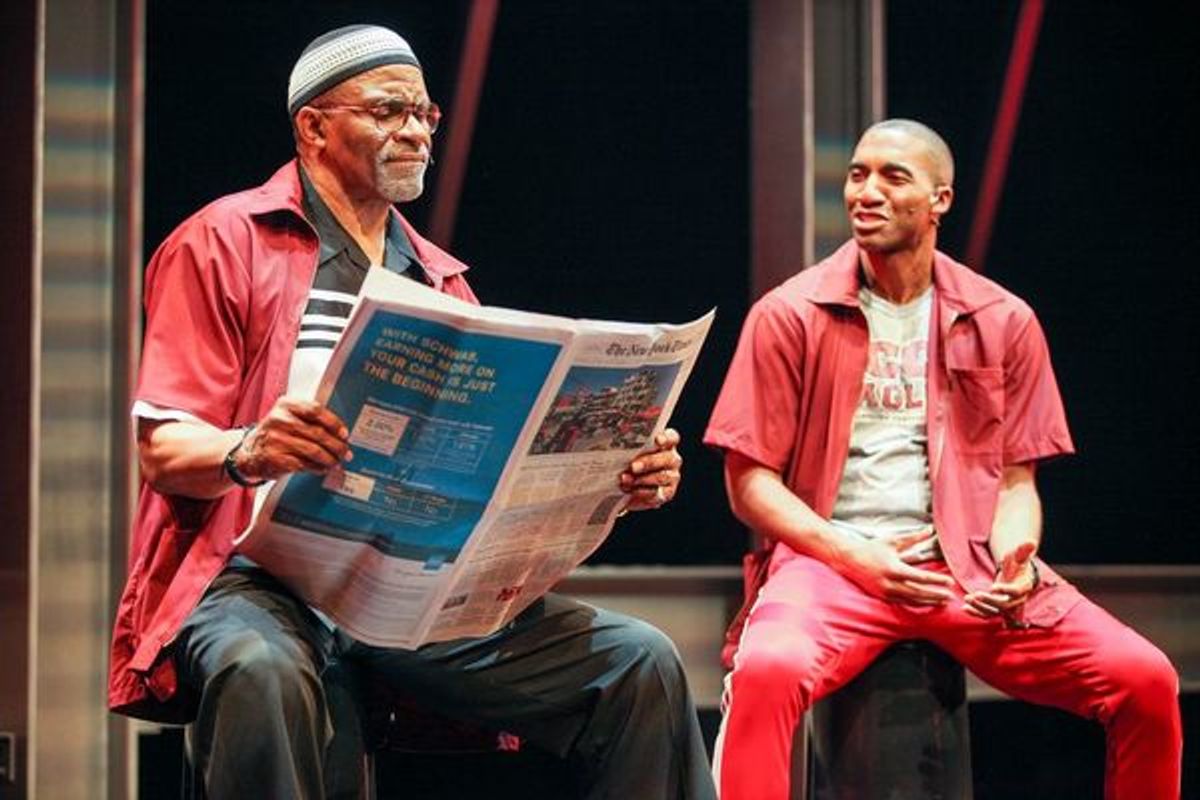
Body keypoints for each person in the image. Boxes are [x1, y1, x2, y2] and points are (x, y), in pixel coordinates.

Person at [108, 24, 716, 800]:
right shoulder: (226, 241)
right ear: (314, 126)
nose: (415, 133)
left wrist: (618, 481)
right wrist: (252, 449)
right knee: (260, 668)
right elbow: (164, 449)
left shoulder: (438, 280)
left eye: (424, 115)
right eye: (389, 111)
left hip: (402, 590)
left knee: (640, 661)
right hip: (251, 576)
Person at [705, 119, 1182, 799]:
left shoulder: (1002, 317)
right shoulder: (790, 313)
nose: (865, 192)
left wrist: (1018, 554)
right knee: (766, 670)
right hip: (834, 565)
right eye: (857, 174)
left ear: (941, 199)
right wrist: (849, 553)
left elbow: (1018, 478)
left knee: (1146, 680)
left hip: (966, 567)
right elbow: (749, 483)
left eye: (892, 177)